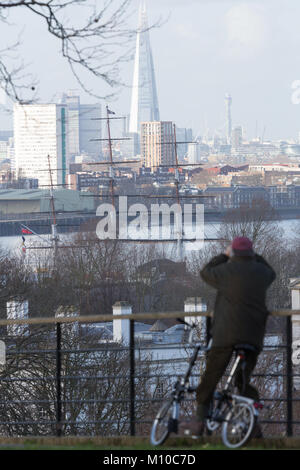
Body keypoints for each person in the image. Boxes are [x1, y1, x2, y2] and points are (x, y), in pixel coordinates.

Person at [189, 236, 276, 437]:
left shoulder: (225, 271)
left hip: (225, 335)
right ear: (251, 253)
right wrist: (257, 257)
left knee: (211, 377)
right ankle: (253, 424)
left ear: (234, 252)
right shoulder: (261, 272)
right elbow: (272, 272)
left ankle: (200, 422)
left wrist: (223, 255)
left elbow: (205, 272)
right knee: (243, 382)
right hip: (253, 336)